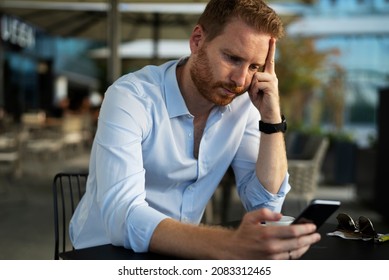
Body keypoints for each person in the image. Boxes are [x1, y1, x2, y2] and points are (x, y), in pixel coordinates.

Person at [69, 0, 321, 259]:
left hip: (183, 253)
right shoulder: (130, 97)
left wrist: (271, 118)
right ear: (198, 40)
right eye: (232, 58)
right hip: (104, 254)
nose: (241, 80)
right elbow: (122, 216)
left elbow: (265, 205)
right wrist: (230, 244)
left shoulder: (244, 105)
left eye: (254, 67)